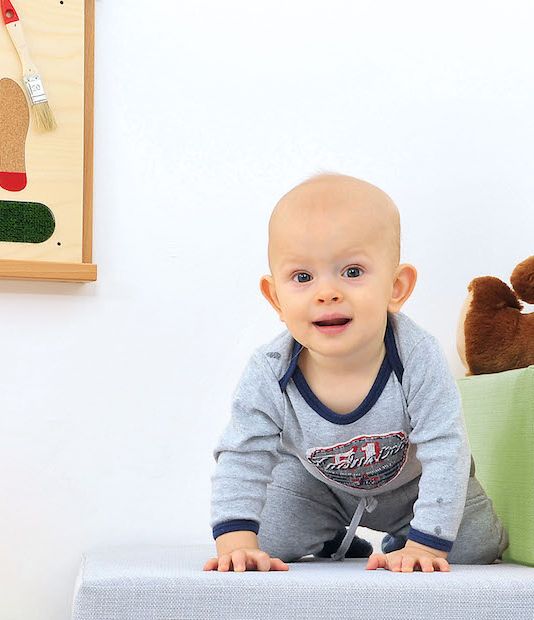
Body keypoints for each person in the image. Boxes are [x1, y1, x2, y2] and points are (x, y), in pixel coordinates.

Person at [203, 173, 507, 573]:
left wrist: (425, 546)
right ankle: (330, 535)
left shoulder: (416, 355)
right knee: (268, 540)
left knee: (476, 547)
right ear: (276, 298)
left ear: (396, 288)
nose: (326, 293)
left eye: (352, 272)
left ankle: (404, 539)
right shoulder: (271, 370)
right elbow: (243, 454)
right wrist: (236, 544)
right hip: (318, 487)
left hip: (415, 488)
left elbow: (445, 448)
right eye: (302, 277)